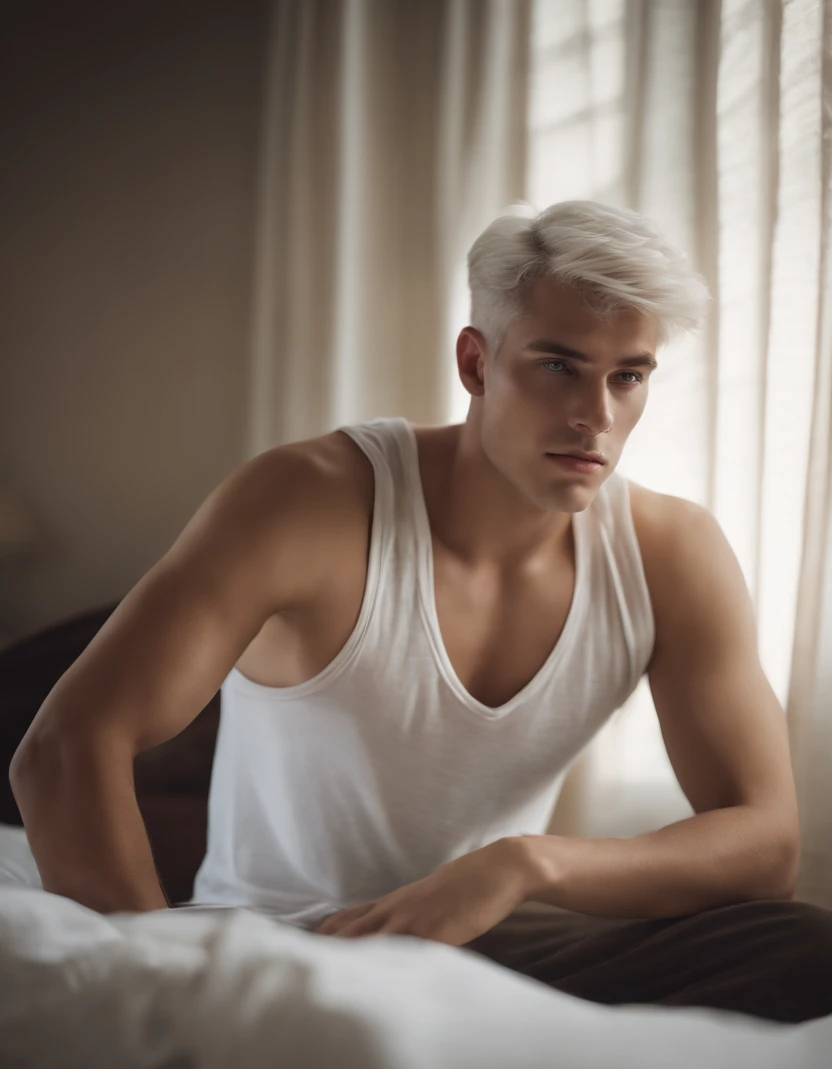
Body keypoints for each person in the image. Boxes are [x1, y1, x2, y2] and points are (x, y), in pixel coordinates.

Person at [10, 199, 832, 1023]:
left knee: (800, 950)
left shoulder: (672, 551)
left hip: (492, 945)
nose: (597, 416)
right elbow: (64, 748)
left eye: (628, 375)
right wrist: (154, 1001)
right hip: (287, 945)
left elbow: (766, 844)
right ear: (476, 362)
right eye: (558, 366)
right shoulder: (308, 501)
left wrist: (524, 866)